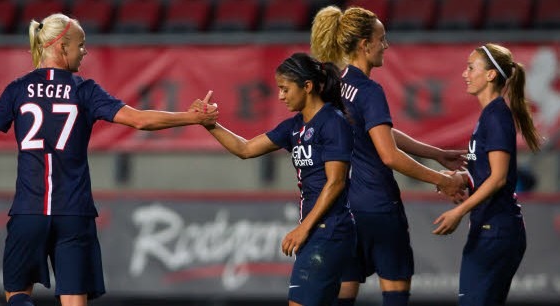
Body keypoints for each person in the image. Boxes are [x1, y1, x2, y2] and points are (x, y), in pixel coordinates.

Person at [0, 13, 218, 306]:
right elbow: (140, 121)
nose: (85, 51)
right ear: (62, 47)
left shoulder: (18, 89)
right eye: (81, 44)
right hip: (73, 213)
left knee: (18, 295)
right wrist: (192, 117)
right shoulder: (83, 90)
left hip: (28, 212)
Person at [309, 5, 467, 306]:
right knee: (395, 297)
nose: (386, 45)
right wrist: (442, 181)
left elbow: (377, 134)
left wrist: (435, 153)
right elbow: (389, 155)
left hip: (342, 209)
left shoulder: (335, 86)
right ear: (364, 44)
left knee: (343, 295)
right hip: (379, 208)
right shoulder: (369, 91)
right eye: (381, 39)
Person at [195, 52, 361, 306]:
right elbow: (245, 149)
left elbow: (336, 182)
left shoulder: (332, 122)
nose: (281, 96)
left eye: (285, 89)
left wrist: (303, 229)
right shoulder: (295, 126)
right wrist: (209, 125)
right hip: (319, 232)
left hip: (329, 230)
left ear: (307, 87)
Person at [432, 43, 541, 306]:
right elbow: (484, 173)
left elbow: (499, 178)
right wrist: (460, 180)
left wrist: (459, 212)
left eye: (471, 67)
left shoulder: (496, 117)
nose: (464, 74)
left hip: (497, 230)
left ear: (491, 75)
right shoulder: (489, 115)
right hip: (491, 228)